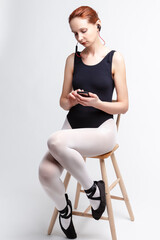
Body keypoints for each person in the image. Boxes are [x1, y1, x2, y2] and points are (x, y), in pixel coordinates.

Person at [38, 5, 129, 239]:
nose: (80, 38)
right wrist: (69, 100)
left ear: (98, 25)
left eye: (84, 31)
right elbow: (62, 102)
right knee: (45, 172)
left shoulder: (114, 59)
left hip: (101, 130)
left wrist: (97, 103)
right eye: (75, 34)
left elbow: (124, 106)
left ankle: (93, 191)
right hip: (73, 127)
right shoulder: (72, 60)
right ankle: (65, 209)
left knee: (54, 140)